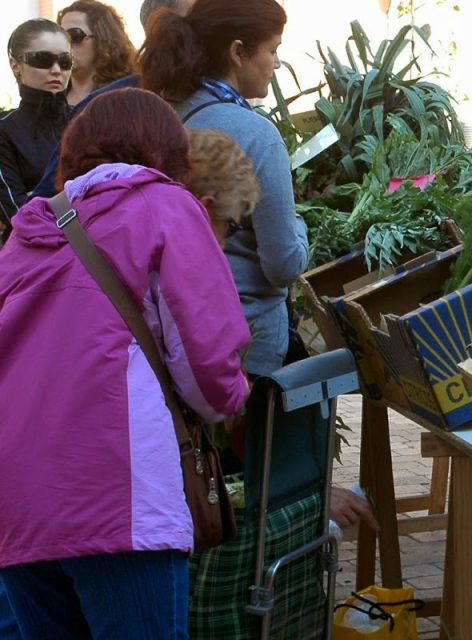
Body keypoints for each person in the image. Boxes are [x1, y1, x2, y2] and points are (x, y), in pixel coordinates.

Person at [0, 87, 251, 640]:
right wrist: (236, 396)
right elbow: (209, 376)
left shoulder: (26, 235)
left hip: (17, 500)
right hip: (113, 493)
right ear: (167, 154)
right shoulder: (164, 206)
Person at [140, 0, 309, 379]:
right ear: (237, 52)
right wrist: (301, 229)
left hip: (171, 335)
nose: (277, 64)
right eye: (273, 49)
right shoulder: (255, 134)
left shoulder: (160, 116)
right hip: (245, 339)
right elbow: (282, 264)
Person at [30, 0, 198, 201]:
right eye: (60, 39)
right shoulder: (50, 103)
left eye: (74, 36)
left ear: (103, 37)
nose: (65, 47)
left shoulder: (133, 96)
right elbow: (47, 189)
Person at [1, 19, 71, 229]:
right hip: (36, 255)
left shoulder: (86, 119)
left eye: (65, 61)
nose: (56, 70)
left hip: (95, 252)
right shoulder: (5, 131)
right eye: (42, 59)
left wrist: (40, 200)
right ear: (16, 66)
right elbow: (19, 216)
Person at [57, 0, 136, 106]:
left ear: (102, 40)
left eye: (74, 35)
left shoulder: (124, 96)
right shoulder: (48, 99)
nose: (64, 45)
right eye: (59, 37)